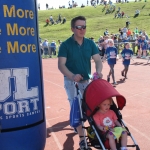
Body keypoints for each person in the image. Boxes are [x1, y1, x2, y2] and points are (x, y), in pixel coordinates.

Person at [58, 16, 103, 150]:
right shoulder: (65, 45)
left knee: (89, 107)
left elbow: (98, 60)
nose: (82, 29)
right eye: (79, 27)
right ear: (72, 28)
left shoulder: (90, 43)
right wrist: (72, 76)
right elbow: (61, 65)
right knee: (77, 107)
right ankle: (82, 140)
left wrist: (99, 71)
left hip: (87, 81)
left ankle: (88, 131)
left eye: (84, 26)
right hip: (71, 81)